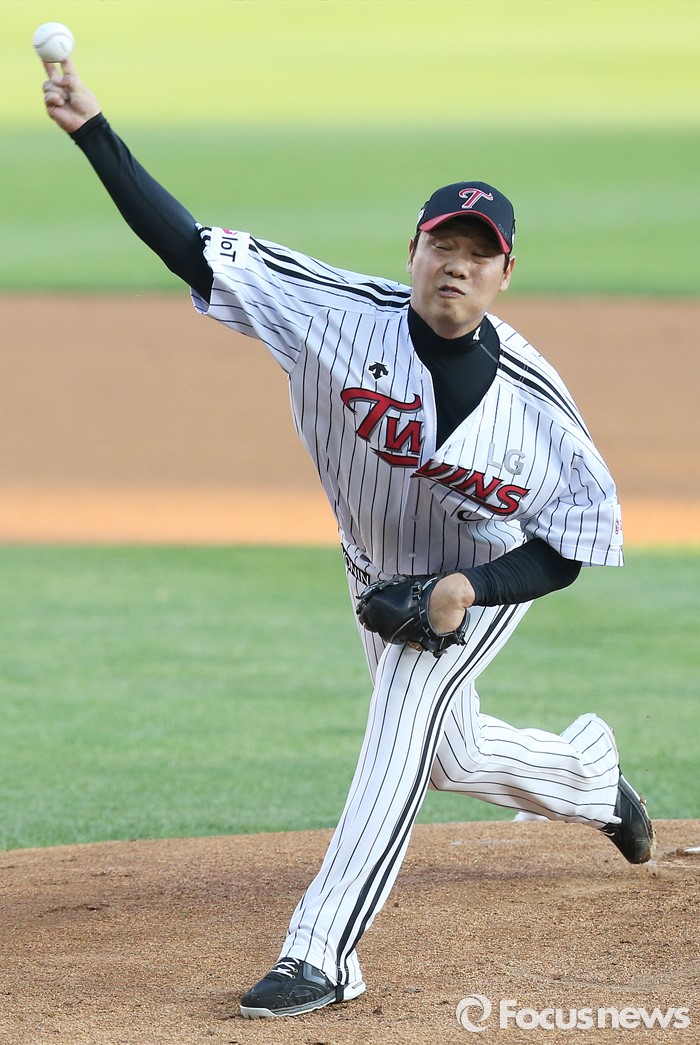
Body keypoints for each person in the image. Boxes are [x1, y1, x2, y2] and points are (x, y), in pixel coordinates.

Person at [40, 58, 655, 1020]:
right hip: (374, 573)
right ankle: (590, 777)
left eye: (479, 253)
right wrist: (93, 133)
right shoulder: (332, 316)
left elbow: (571, 541)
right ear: (413, 250)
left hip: (481, 574)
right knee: (448, 754)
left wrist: (465, 590)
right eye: (443, 243)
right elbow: (193, 250)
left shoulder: (537, 405)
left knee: (402, 718)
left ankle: (321, 952)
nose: (457, 264)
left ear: (504, 275)